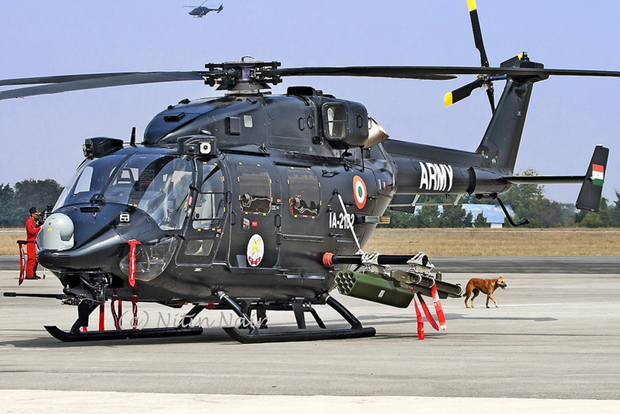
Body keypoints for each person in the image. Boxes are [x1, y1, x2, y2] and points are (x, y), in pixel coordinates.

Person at [25, 207, 42, 279]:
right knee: (31, 259)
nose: (37, 215)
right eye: (36, 214)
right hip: (30, 243)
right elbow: (31, 231)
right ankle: (29, 275)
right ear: (32, 214)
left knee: (35, 260)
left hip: (34, 242)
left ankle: (33, 273)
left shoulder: (34, 222)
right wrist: (39, 228)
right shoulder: (29, 222)